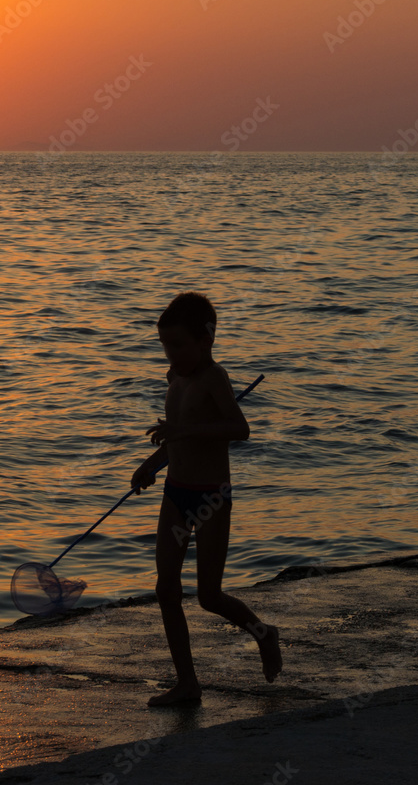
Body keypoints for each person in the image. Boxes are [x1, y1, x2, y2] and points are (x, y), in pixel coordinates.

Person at [130, 291, 281, 706]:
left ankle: (264, 635)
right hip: (176, 492)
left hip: (211, 497)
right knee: (166, 588)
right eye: (165, 345)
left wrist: (182, 433)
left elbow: (238, 428)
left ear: (206, 341)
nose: (171, 354)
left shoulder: (215, 377)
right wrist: (152, 464)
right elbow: (177, 439)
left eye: (178, 345)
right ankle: (188, 683)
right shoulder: (173, 378)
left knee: (209, 596)